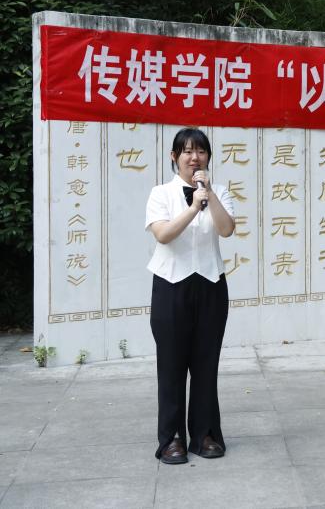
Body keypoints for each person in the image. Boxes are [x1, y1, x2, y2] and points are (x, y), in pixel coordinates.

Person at [145, 127, 235, 464]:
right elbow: (164, 235)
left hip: (211, 284)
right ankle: (171, 438)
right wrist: (193, 206)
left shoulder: (219, 192)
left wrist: (208, 195)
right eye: (187, 151)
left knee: (206, 364)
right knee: (171, 365)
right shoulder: (160, 193)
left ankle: (205, 434)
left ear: (208, 157)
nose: (194, 157)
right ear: (174, 157)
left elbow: (226, 229)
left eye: (200, 151)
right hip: (171, 286)